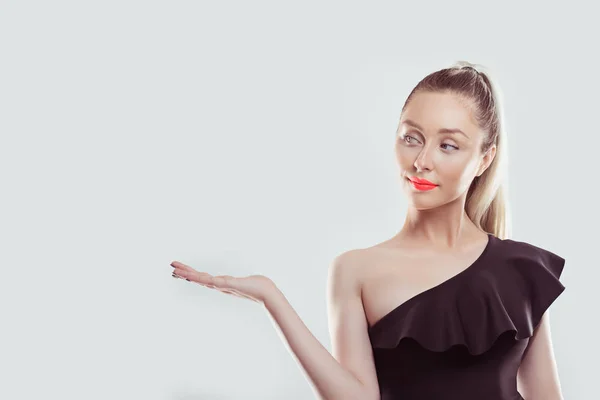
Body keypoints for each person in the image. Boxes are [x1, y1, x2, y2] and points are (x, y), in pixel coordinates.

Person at [170, 61, 566, 400]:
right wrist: (271, 299)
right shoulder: (355, 270)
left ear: (484, 158)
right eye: (411, 138)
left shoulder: (523, 269)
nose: (421, 161)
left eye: (448, 146)